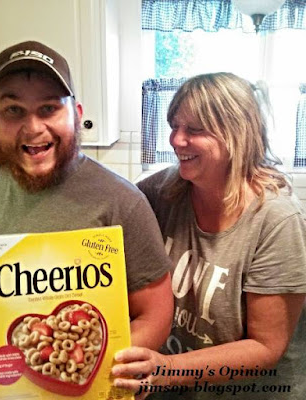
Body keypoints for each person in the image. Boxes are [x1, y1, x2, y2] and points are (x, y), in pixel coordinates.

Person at [0, 40, 174, 398]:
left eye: (49, 108)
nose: (33, 128)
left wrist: (107, 371)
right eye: (13, 110)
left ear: (76, 114)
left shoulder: (121, 201)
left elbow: (155, 311)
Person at [111, 72, 306, 399]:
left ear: (236, 133)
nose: (176, 140)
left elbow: (266, 346)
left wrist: (168, 370)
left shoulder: (277, 219)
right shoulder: (165, 190)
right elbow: (106, 204)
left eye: (194, 129)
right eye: (174, 125)